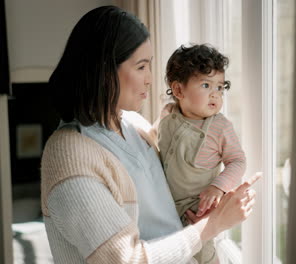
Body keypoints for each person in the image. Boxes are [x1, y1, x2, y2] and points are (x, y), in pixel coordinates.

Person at [40, 5, 258, 264]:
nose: (150, 79)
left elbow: (167, 203)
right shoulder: (69, 153)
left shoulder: (135, 125)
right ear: (105, 70)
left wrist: (200, 213)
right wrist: (212, 224)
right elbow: (125, 259)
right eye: (141, 67)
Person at [158, 44, 246, 264]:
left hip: (196, 211)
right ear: (178, 91)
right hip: (165, 207)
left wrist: (218, 186)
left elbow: (238, 161)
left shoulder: (220, 127)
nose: (215, 94)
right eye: (206, 85)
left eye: (220, 87)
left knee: (204, 256)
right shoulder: (168, 116)